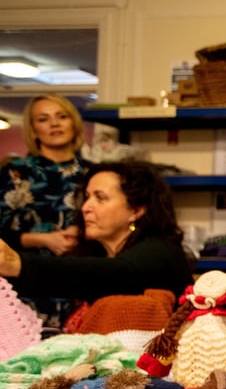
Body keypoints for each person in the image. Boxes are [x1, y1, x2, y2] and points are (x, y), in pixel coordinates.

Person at [0, 160, 195, 308]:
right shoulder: (95, 252)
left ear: (136, 210)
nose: (86, 207)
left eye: (100, 198)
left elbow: (111, 274)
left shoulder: (160, 252)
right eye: (86, 198)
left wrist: (19, 264)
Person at [0, 94, 90, 325]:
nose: (54, 124)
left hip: (81, 281)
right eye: (43, 118)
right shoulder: (13, 173)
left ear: (74, 122)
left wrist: (82, 236)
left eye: (62, 116)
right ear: (32, 128)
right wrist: (43, 240)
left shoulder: (95, 174)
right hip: (24, 284)